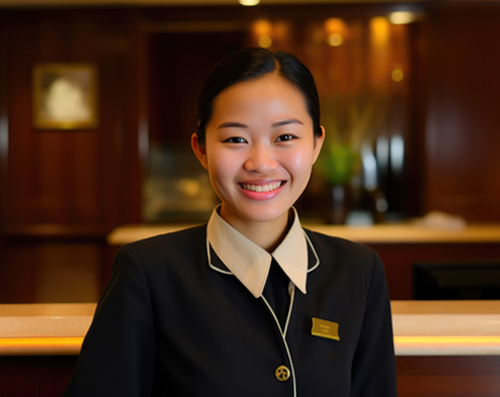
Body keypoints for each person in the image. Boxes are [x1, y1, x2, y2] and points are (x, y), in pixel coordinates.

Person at [64, 47, 397, 397]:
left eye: (285, 137)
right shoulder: (148, 273)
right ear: (201, 149)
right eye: (235, 139)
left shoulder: (359, 271)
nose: (261, 163)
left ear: (316, 144)